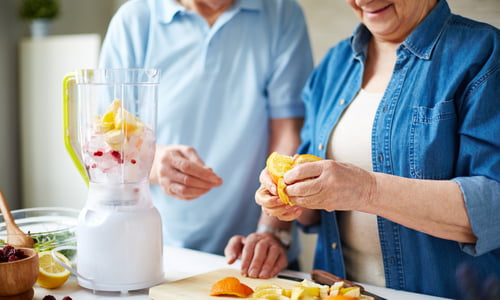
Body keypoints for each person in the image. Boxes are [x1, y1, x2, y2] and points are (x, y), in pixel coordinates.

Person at [255, 0, 500, 298]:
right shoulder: (335, 64)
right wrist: (289, 199)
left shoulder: (485, 54)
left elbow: (493, 207)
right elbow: (314, 212)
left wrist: (366, 190)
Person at [98, 0, 314, 278]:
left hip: (255, 253)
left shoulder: (282, 11)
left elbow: (288, 133)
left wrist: (272, 232)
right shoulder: (135, 19)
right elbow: (106, 144)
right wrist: (153, 164)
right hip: (158, 253)